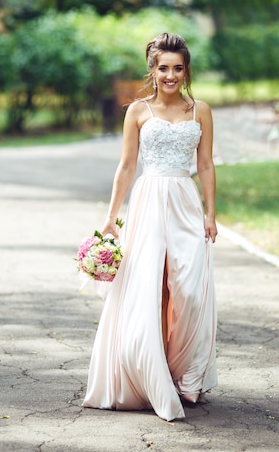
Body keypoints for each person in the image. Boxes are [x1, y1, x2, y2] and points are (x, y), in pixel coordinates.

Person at [83, 32, 217, 422]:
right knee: (149, 289)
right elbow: (126, 166)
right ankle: (150, 375)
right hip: (148, 201)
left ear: (186, 70)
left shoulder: (201, 110)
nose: (171, 75)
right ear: (153, 70)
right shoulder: (138, 111)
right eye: (163, 68)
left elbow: (205, 165)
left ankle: (182, 372)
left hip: (186, 202)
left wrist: (211, 213)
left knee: (189, 289)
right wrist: (110, 217)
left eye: (178, 68)